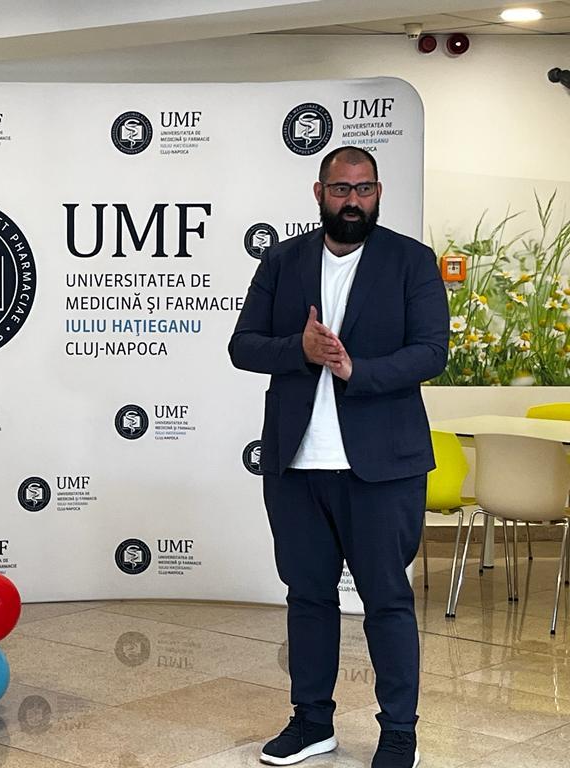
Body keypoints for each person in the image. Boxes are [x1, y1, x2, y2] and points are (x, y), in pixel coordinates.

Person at [229, 146, 448, 768]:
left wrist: (357, 370)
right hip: (296, 466)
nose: (353, 201)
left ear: (378, 192)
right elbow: (243, 345)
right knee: (308, 597)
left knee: (387, 600)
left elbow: (432, 351)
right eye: (341, 189)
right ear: (319, 191)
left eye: (364, 189)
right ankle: (311, 722)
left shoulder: (411, 261)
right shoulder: (283, 260)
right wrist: (299, 350)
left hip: (383, 467)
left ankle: (398, 732)